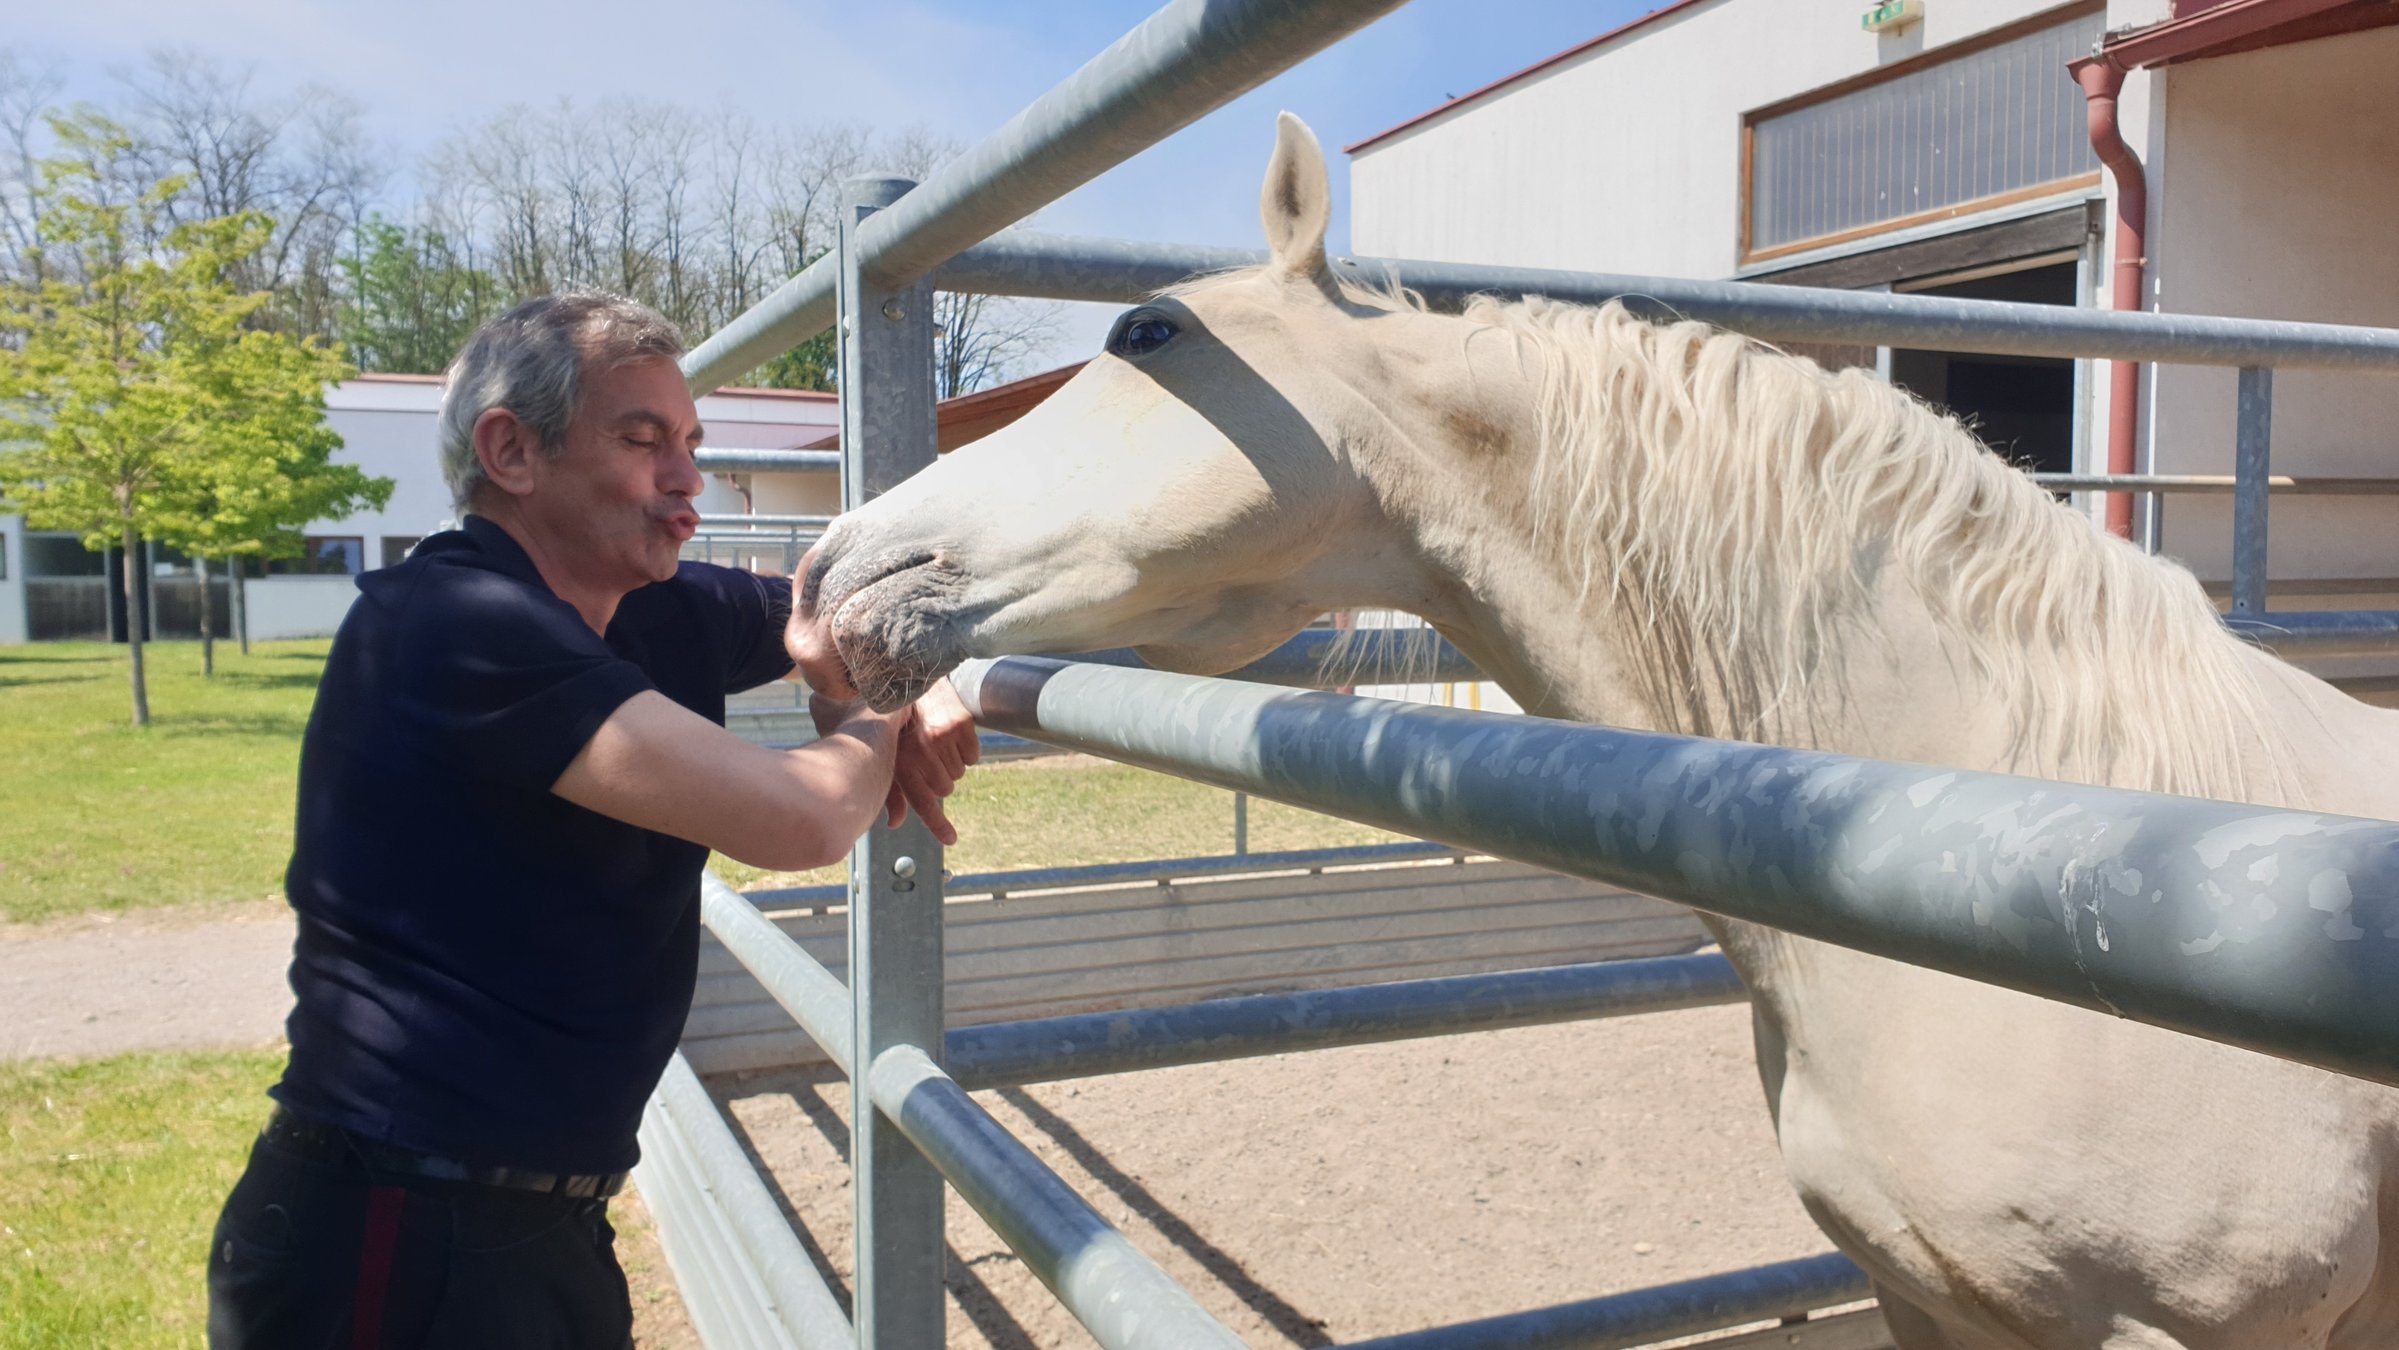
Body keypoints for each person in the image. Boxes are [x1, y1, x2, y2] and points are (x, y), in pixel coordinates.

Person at [205, 291, 976, 1348]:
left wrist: (885, 664)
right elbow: (796, 820)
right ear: (511, 452)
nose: (687, 479)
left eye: (692, 443)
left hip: (538, 1224)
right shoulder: (450, 623)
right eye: (642, 439)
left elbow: (825, 615)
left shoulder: (650, 602)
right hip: (398, 1234)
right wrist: (882, 703)